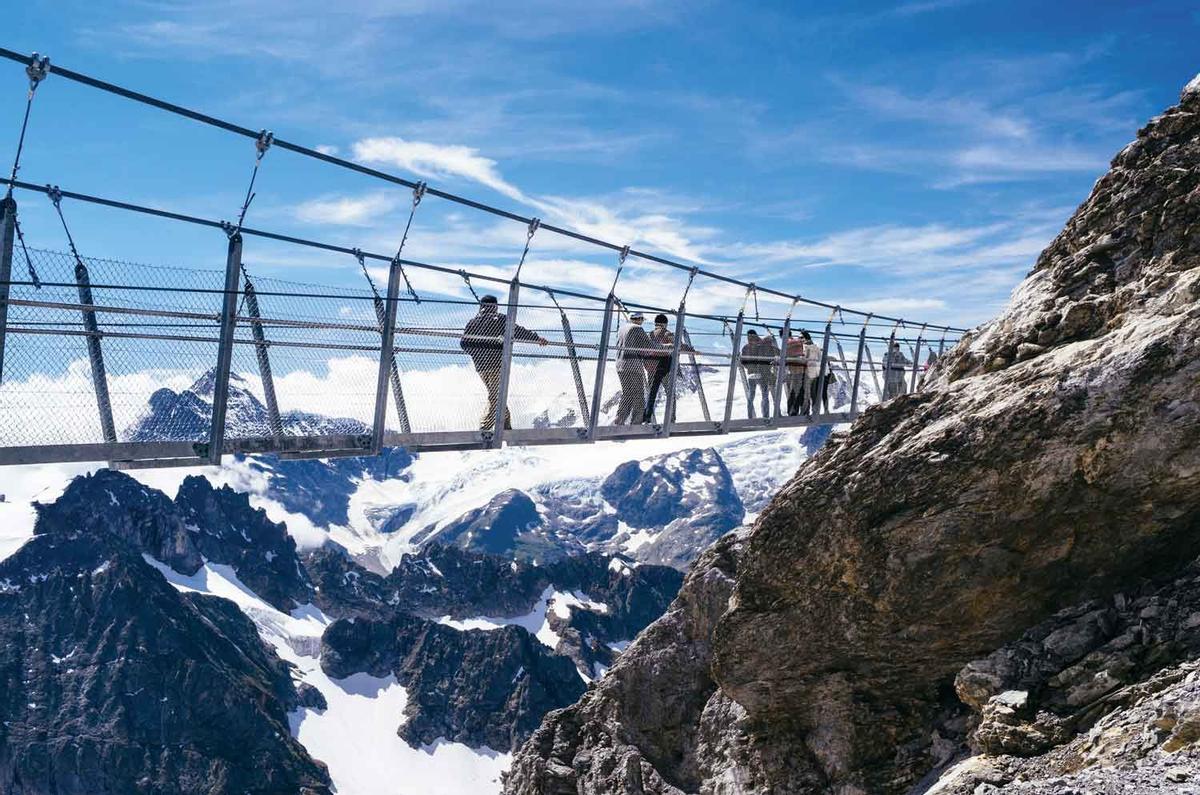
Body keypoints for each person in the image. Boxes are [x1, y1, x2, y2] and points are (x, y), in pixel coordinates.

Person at [460, 294, 548, 431]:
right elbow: (518, 331)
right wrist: (537, 339)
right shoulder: (499, 320)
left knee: (496, 394)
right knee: (495, 396)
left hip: (481, 367)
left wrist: (477, 353)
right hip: (497, 364)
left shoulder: (472, 323)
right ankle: (485, 429)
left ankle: (506, 426)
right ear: (494, 306)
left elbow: (464, 343)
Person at [614, 311, 654, 424]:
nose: (642, 322)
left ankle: (619, 418)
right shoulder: (637, 329)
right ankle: (636, 424)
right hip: (633, 365)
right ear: (639, 319)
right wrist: (666, 347)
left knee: (627, 393)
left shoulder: (622, 328)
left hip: (620, 365)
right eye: (642, 320)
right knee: (638, 395)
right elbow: (648, 345)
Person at [740, 330, 775, 418]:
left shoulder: (746, 347)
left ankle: (751, 416)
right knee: (764, 395)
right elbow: (769, 357)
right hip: (761, 373)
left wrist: (751, 368)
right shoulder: (761, 346)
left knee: (752, 396)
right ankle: (765, 416)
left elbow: (743, 361)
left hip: (753, 374)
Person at [784, 329, 808, 416]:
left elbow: (785, 357)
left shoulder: (787, 343)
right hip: (802, 369)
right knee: (801, 390)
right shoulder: (798, 342)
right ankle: (804, 410)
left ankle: (792, 411)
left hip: (793, 370)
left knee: (793, 391)